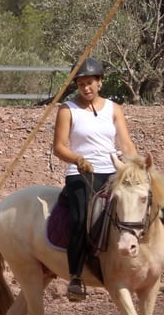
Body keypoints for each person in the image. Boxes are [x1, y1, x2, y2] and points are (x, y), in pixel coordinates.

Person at [52, 57, 138, 302]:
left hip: (112, 170)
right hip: (81, 173)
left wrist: (135, 164)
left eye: (90, 83)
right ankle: (76, 276)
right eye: (81, 84)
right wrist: (78, 160)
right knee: (80, 218)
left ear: (100, 82)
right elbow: (59, 147)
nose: (86, 88)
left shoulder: (114, 109)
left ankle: (145, 266)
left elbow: (125, 143)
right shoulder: (67, 110)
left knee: (138, 207)